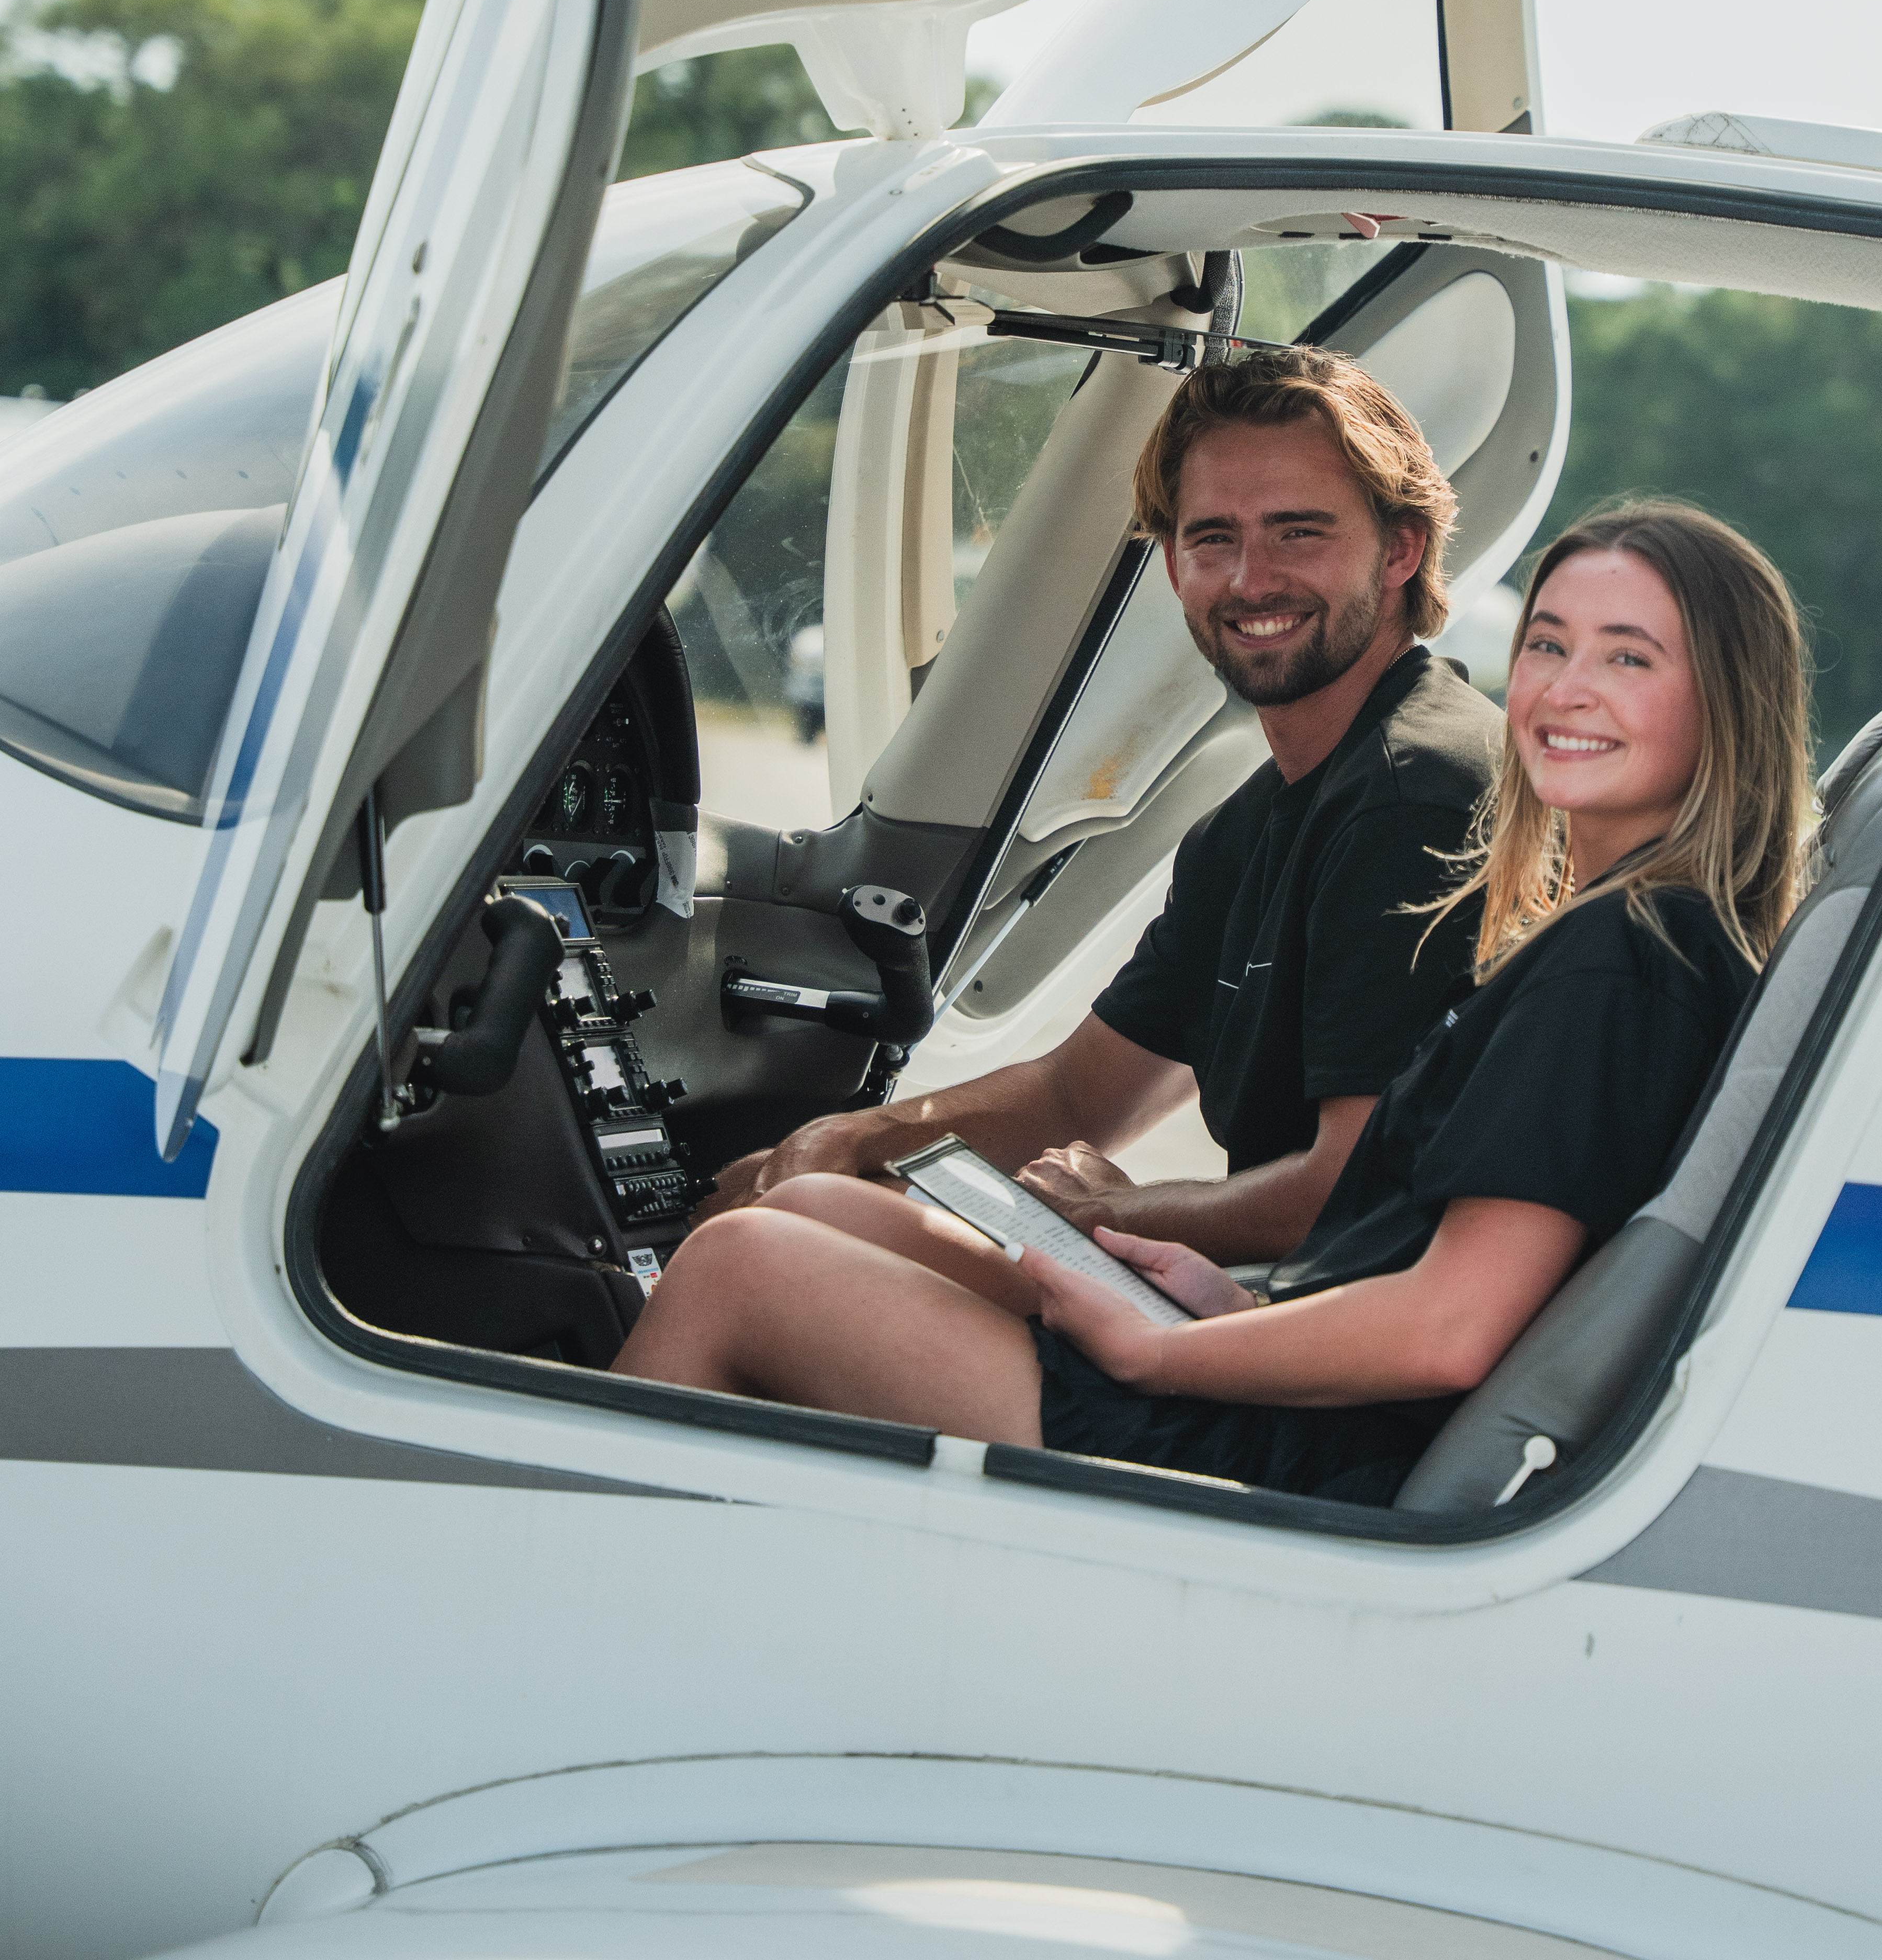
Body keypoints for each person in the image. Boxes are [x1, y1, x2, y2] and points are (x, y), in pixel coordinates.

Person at [618, 501, 1815, 1511]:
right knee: (834, 1208)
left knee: (739, 1265)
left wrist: (1173, 1349)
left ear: (1725, 701)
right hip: (1304, 1390)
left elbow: (1452, 1325)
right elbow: (1400, 1258)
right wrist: (1231, 1296)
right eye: (1548, 645)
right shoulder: (1635, 931)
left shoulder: (1618, 962)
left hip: (1307, 1457)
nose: (1565, 690)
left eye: (1628, 658)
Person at [696, 346, 1505, 1265]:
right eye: (1213, 539)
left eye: (1298, 532)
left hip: (1322, 1352)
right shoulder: (1254, 827)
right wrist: (846, 1140)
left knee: (759, 1257)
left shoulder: (1416, 797)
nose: (1249, 580)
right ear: (1171, 564)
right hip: (1260, 1300)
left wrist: (1113, 1216)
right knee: (778, 1209)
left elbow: (1354, 1191)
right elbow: (1077, 1099)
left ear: (1401, 548)